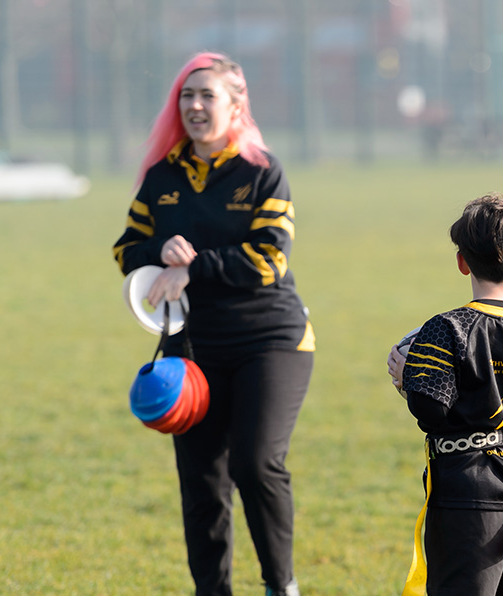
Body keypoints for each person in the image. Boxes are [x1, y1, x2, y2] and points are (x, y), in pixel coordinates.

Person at [112, 52, 314, 596]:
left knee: (255, 464)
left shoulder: (262, 170)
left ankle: (280, 585)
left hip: (270, 341)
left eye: (208, 95)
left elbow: (270, 260)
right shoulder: (162, 176)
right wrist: (160, 250)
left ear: (236, 103)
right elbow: (126, 251)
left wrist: (191, 267)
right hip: (192, 348)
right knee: (201, 483)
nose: (195, 106)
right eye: (186, 95)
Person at [386, 194, 503, 596]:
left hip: (467, 496)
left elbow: (430, 409)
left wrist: (408, 375)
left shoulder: (447, 328)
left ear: (462, 262)